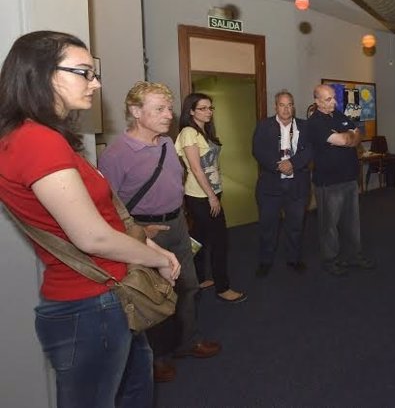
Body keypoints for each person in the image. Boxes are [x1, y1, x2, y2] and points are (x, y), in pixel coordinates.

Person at [0, 31, 181, 407]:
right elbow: (92, 237)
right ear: (44, 75)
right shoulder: (36, 141)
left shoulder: (39, 137)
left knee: (135, 387)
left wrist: (142, 243)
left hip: (102, 295)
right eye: (84, 72)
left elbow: (104, 217)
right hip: (90, 303)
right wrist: (160, 258)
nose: (95, 83)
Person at [98, 81, 221, 383]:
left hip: (177, 224)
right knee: (152, 297)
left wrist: (181, 214)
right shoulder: (117, 155)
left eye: (169, 108)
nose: (169, 114)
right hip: (144, 233)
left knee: (188, 287)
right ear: (136, 112)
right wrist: (138, 230)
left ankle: (188, 342)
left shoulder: (167, 143)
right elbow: (106, 207)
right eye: (160, 109)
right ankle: (155, 358)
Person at [175, 92, 246, 302]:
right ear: (191, 111)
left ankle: (195, 278)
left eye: (210, 108)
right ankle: (223, 288)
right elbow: (196, 170)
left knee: (199, 238)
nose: (208, 112)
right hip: (200, 195)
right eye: (202, 108)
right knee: (220, 241)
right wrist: (212, 197)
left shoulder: (204, 131)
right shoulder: (189, 132)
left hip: (210, 192)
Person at [308, 84, 375, 276]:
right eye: (328, 99)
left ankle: (354, 255)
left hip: (349, 178)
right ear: (317, 101)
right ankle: (330, 260)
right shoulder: (314, 123)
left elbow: (358, 134)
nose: (334, 102)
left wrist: (350, 137)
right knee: (329, 225)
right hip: (329, 183)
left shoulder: (338, 115)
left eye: (334, 98)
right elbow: (346, 140)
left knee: (352, 222)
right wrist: (350, 137)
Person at [252, 90, 312, 277]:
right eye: (282, 105)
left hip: (297, 186)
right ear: (275, 106)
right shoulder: (263, 126)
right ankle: (265, 261)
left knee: (295, 225)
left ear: (293, 106)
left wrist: (292, 164)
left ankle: (293, 259)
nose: (286, 109)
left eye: (289, 105)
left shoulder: (305, 126)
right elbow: (257, 150)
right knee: (267, 226)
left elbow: (310, 150)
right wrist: (279, 166)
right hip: (270, 187)